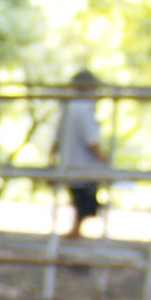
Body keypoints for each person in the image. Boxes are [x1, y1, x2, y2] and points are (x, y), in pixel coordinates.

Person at [55, 69, 109, 238]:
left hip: (70, 160)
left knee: (79, 199)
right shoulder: (84, 108)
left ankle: (76, 230)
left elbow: (57, 137)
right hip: (83, 164)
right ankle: (76, 231)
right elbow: (91, 140)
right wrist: (103, 160)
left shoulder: (68, 107)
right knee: (84, 199)